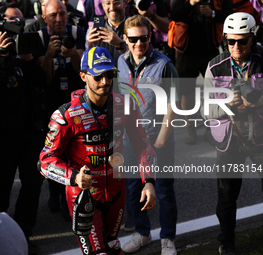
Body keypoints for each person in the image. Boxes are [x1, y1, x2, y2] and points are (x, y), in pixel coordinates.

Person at [39, 46, 157, 255]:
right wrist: (74, 177)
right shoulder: (67, 114)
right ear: (83, 76)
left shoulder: (125, 105)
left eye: (109, 75)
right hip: (84, 196)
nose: (105, 81)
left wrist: (148, 181)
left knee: (113, 246)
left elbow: (143, 145)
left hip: (116, 192)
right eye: (98, 76)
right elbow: (45, 161)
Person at [0, 4, 46, 253]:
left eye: (20, 21)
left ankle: (22, 233)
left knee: (32, 184)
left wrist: (27, 60)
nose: (17, 27)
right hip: (3, 136)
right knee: (2, 189)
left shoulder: (27, 48)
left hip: (30, 133)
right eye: (11, 22)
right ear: (0, 25)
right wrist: (4, 57)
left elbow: (41, 81)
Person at [201, 12, 263, 255]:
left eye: (243, 41)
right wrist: (229, 103)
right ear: (224, 39)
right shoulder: (214, 66)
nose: (236, 46)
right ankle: (226, 242)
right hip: (229, 141)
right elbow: (205, 110)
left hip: (260, 138)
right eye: (231, 41)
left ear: (253, 38)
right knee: (227, 197)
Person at [118, 15, 179, 254]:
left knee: (163, 191)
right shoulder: (120, 61)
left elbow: (174, 103)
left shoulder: (165, 64)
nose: (138, 44)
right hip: (130, 141)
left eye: (143, 38)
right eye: (133, 39)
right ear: (125, 38)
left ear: (149, 36)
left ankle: (168, 239)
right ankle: (142, 233)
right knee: (133, 188)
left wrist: (163, 137)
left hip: (157, 138)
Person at [36, 0, 86, 220]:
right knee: (53, 150)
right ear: (44, 17)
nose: (59, 19)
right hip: (50, 102)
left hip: (74, 101)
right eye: (53, 15)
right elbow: (44, 79)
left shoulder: (78, 32)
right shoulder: (38, 37)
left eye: (62, 14)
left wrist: (73, 53)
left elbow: (83, 72)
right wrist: (49, 55)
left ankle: (70, 197)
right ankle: (54, 192)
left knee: (74, 151)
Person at [171, 0, 232, 144]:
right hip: (185, 51)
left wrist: (212, 13)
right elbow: (174, 14)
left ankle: (211, 127)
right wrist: (191, 3)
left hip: (210, 49)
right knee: (187, 91)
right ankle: (190, 128)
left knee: (214, 90)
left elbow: (230, 15)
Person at [86, 0, 128, 66]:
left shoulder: (136, 27)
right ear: (103, 5)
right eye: (108, 3)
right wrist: (89, 47)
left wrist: (121, 45)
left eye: (116, 3)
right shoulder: (93, 29)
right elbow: (87, 65)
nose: (112, 8)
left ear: (125, 3)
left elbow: (140, 59)